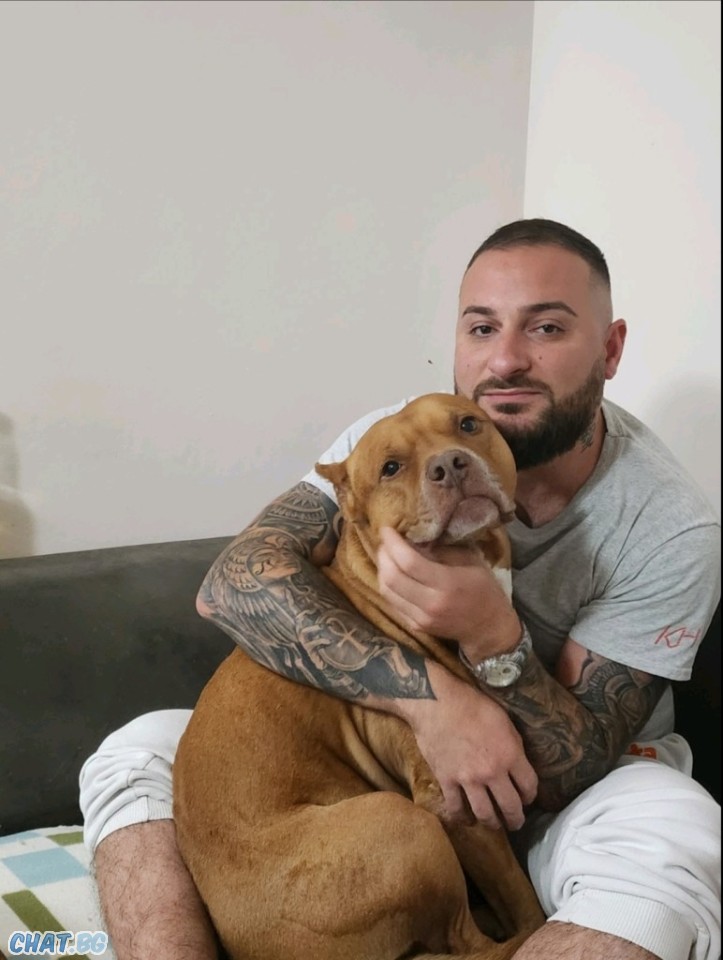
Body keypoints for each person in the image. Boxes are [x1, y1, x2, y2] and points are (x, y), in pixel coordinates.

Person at [80, 219, 721, 960]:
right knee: (136, 749)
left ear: (609, 350)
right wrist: (431, 703)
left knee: (677, 838)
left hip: (575, 791)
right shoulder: (386, 442)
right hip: (377, 782)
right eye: (481, 328)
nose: (506, 359)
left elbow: (572, 766)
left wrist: (491, 636)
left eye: (546, 327)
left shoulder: (669, 525)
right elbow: (232, 583)